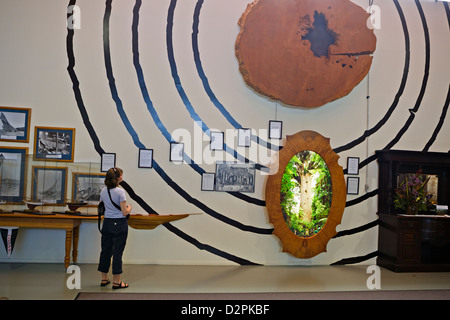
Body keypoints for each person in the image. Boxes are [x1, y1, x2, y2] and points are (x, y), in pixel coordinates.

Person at [98, 167, 132, 289]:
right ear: (117, 178)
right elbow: (124, 212)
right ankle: (117, 282)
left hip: (107, 223)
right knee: (117, 253)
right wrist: (130, 208)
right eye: (121, 175)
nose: (122, 177)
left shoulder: (103, 191)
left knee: (105, 251)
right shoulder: (120, 192)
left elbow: (103, 207)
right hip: (119, 224)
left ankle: (104, 279)